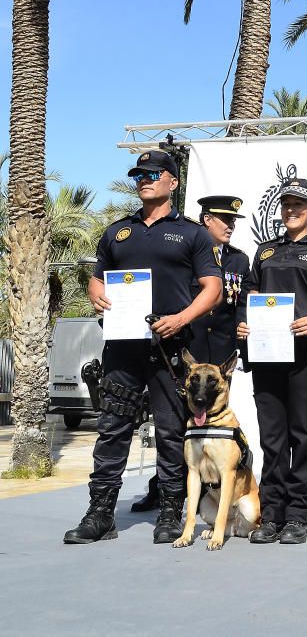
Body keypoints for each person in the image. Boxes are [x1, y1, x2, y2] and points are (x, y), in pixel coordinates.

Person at [64, 150, 222, 544]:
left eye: (154, 173)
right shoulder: (117, 231)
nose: (144, 179)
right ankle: (100, 514)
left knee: (171, 432)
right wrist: (95, 293)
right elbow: (98, 278)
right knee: (113, 429)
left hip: (171, 350)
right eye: (139, 174)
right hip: (122, 348)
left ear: (173, 181)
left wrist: (182, 318)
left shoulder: (192, 233)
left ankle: (170, 511)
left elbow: (213, 289)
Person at [238, 177, 307, 545]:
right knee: (272, 438)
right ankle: (272, 514)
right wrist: (245, 322)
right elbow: (250, 293)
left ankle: (299, 515)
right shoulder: (265, 251)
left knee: (305, 437)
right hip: (267, 354)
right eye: (286, 204)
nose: (291, 210)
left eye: (299, 204)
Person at [130, 195, 250, 513]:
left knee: (214, 425)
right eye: (225, 220)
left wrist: (243, 335)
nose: (231, 226)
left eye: (234, 221)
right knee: (175, 424)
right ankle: (165, 490)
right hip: (189, 351)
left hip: (221, 357)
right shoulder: (184, 253)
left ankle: (212, 493)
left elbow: (241, 305)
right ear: (206, 220)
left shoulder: (239, 260)